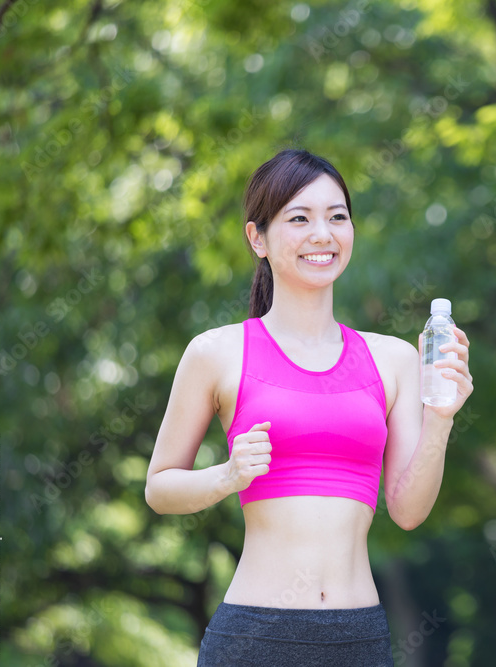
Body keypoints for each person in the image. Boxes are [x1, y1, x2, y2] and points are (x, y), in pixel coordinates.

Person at [144, 148, 473, 666]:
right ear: (258, 238)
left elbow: (408, 512)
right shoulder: (217, 352)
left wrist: (441, 419)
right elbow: (159, 488)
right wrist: (228, 475)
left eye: (337, 217)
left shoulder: (395, 359)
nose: (323, 233)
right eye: (299, 218)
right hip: (254, 636)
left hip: (357, 638)